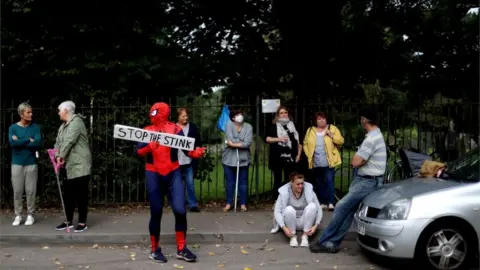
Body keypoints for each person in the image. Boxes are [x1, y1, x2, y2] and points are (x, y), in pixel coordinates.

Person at [310, 107, 386, 253]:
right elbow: (359, 161)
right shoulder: (376, 135)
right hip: (367, 179)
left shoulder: (371, 139)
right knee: (349, 210)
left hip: (367, 181)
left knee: (341, 206)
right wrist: (360, 159)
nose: (361, 122)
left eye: (361, 119)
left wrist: (359, 158)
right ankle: (332, 243)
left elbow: (356, 162)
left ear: (365, 120)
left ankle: (325, 241)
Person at [136, 102, 205, 263]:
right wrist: (148, 148)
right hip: (153, 173)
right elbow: (138, 151)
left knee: (180, 210)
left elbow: (187, 149)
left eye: (155, 112)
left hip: (173, 172)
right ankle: (155, 249)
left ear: (163, 113)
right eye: (151, 111)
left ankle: (181, 248)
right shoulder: (147, 130)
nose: (151, 114)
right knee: (156, 211)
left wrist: (195, 153)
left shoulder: (175, 129)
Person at [53, 101, 92, 233]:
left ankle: (82, 222)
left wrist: (61, 155)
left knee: (81, 194)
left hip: (80, 164)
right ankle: (68, 221)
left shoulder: (77, 122)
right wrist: (57, 155)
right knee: (68, 194)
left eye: (59, 110)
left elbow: (70, 140)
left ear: (66, 111)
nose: (58, 113)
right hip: (68, 164)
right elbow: (58, 142)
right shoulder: (63, 126)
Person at [8, 102, 42, 226]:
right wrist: (28, 139)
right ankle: (18, 215)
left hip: (31, 162)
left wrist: (20, 141)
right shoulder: (13, 128)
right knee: (17, 190)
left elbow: (38, 143)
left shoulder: (35, 127)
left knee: (31, 190)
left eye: (31, 112)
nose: (31, 114)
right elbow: (13, 144)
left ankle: (30, 215)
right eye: (28, 112)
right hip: (16, 163)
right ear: (21, 114)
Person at [303, 112, 344, 211]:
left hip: (329, 161)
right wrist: (309, 154)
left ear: (326, 119)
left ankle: (331, 202)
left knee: (329, 181)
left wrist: (331, 135)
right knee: (319, 182)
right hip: (316, 161)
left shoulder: (332, 128)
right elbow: (305, 143)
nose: (321, 120)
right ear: (315, 121)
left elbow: (341, 141)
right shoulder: (310, 130)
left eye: (323, 118)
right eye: (319, 119)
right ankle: (323, 202)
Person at [271, 172, 323, 247]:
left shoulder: (309, 190)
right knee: (289, 209)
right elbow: (277, 212)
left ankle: (305, 236)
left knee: (313, 206)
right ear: (291, 183)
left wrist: (316, 225)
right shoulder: (284, 192)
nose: (300, 186)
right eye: (298, 184)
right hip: (290, 222)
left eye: (302, 183)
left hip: (305, 221)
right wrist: (284, 227)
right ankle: (292, 237)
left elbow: (319, 209)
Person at [265, 106, 302, 198]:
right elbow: (267, 139)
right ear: (277, 115)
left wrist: (298, 155)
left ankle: (289, 198)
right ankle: (277, 199)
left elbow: (299, 142)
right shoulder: (273, 126)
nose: (284, 114)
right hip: (277, 156)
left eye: (285, 112)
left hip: (291, 157)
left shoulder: (294, 126)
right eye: (281, 113)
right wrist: (279, 139)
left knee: (289, 179)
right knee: (277, 179)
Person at [222, 109, 253, 212]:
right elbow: (229, 138)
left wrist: (233, 144)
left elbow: (247, 143)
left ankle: (243, 203)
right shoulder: (228, 125)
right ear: (233, 118)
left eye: (241, 114)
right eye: (237, 115)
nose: (240, 116)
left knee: (243, 182)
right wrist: (241, 142)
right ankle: (228, 203)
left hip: (243, 159)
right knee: (230, 182)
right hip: (229, 158)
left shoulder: (248, 127)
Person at [176, 107, 202, 212]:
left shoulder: (193, 127)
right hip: (176, 160)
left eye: (186, 115)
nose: (185, 118)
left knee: (190, 184)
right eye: (183, 116)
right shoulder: (173, 127)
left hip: (189, 160)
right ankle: (180, 204)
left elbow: (198, 141)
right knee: (178, 185)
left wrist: (197, 150)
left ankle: (192, 204)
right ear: (178, 117)